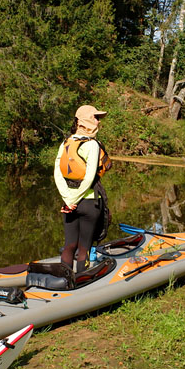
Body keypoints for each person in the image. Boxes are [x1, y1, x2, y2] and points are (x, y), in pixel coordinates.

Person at [54, 105, 112, 273]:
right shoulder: (92, 144)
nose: (97, 121)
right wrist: (74, 199)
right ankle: (81, 282)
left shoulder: (66, 142)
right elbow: (89, 177)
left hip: (68, 204)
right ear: (84, 120)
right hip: (89, 203)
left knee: (69, 245)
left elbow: (57, 173)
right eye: (95, 117)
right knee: (83, 248)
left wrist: (68, 199)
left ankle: (65, 281)